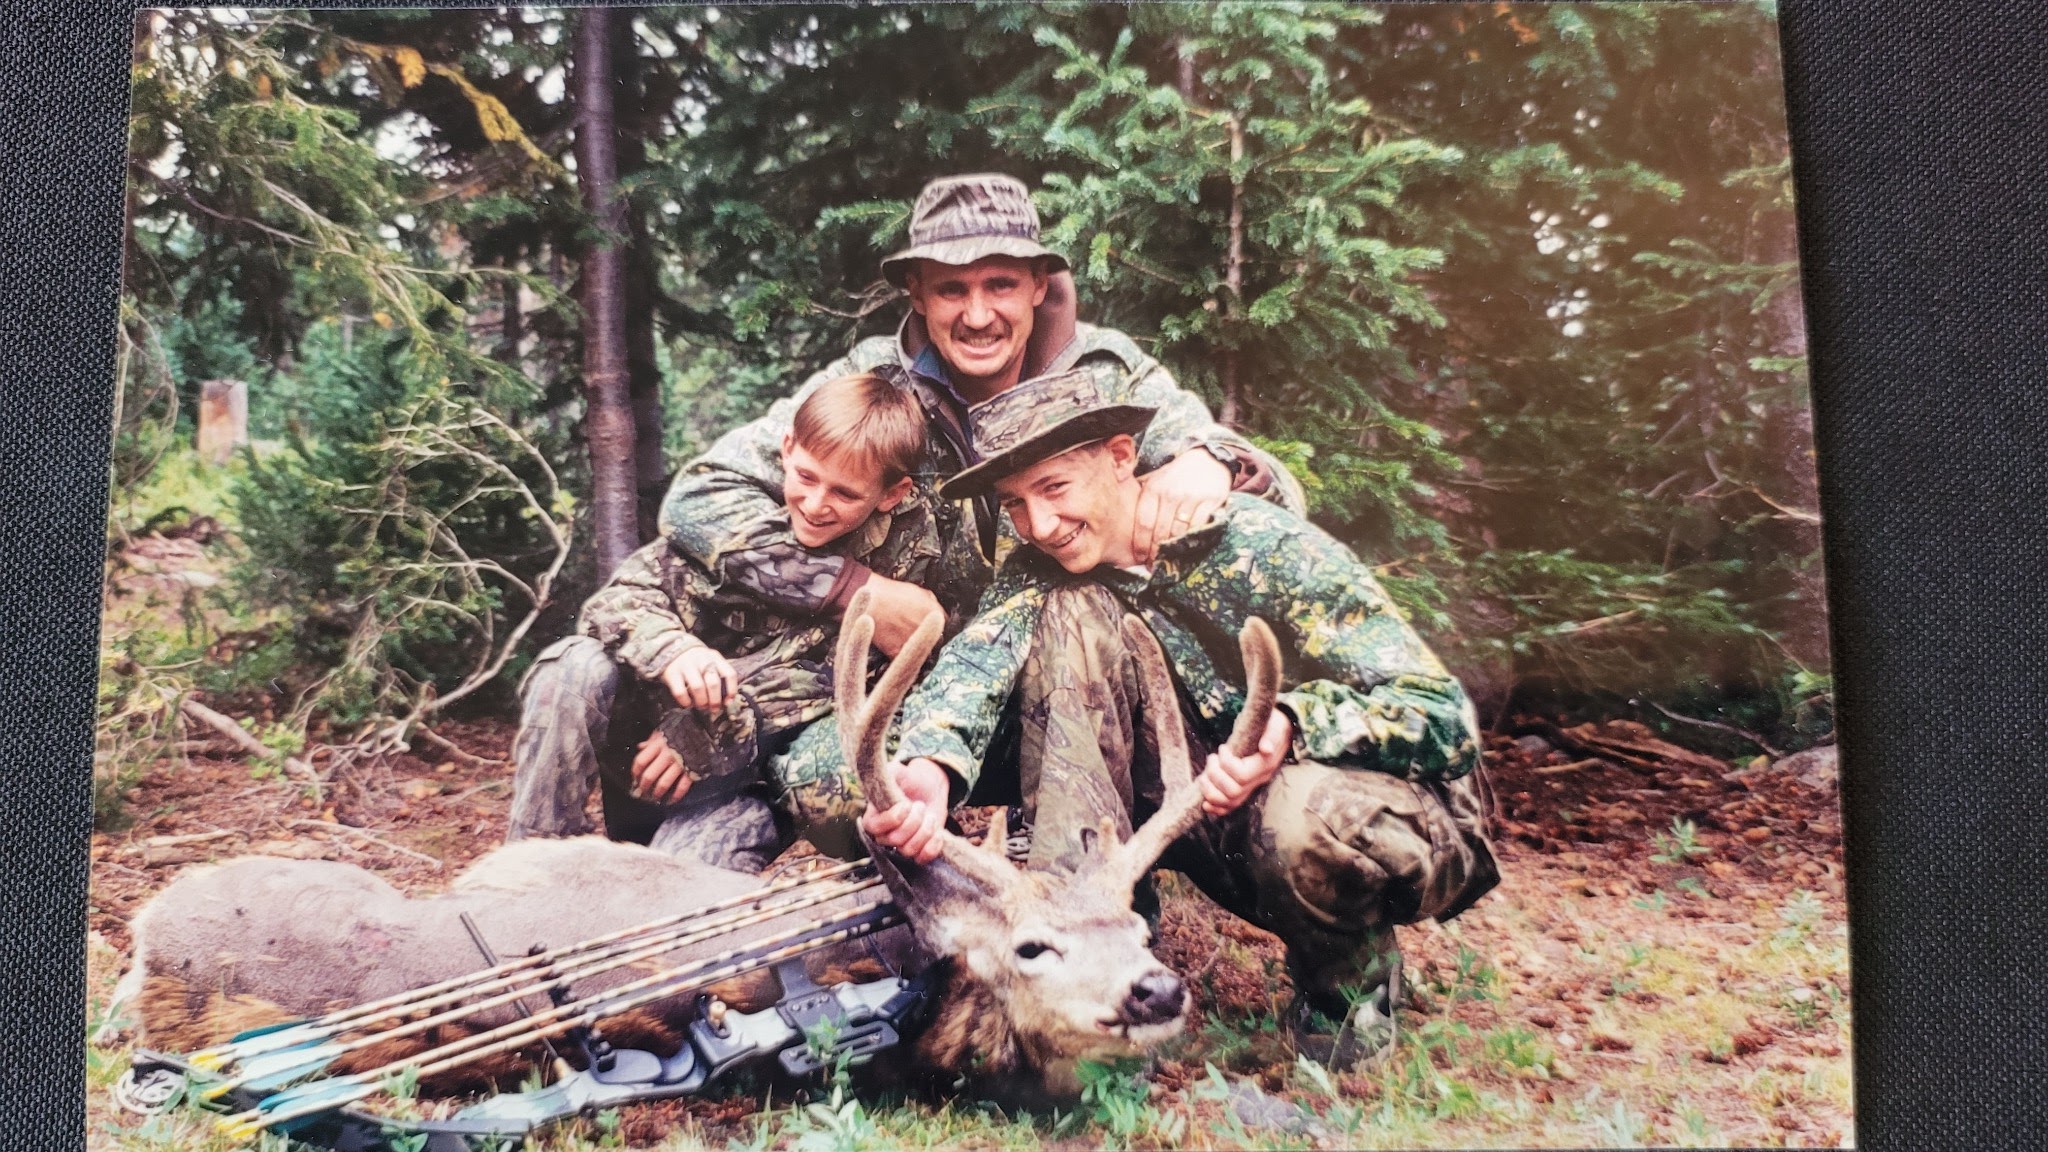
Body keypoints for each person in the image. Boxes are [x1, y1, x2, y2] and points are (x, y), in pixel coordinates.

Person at [860, 369, 1501, 1067]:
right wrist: (930, 763)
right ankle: (1093, 981)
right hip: (1199, 807)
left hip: (1365, 813)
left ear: (1120, 459)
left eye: (1055, 488)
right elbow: (973, 669)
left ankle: (1348, 998)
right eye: (1014, 503)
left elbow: (1439, 713)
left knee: (1304, 818)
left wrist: (1291, 724)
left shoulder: (1261, 547)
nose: (1039, 525)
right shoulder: (1039, 571)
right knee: (1072, 613)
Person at [656, 173, 1304, 847]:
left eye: (999, 285)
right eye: (951, 289)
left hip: (1087, 690)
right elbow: (700, 497)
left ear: (1037, 286)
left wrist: (1217, 462)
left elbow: (1276, 491)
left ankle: (1081, 875)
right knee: (835, 788)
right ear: (917, 293)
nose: (977, 314)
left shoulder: (1109, 375)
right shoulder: (873, 387)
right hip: (938, 692)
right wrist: (854, 588)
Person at [505, 372, 932, 872]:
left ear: (891, 494)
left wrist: (717, 723)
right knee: (572, 669)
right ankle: (531, 866)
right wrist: (672, 648)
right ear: (787, 448)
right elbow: (619, 600)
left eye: (845, 494)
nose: (816, 506)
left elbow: (841, 685)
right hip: (639, 755)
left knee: (675, 907)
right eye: (807, 477)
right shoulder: (738, 519)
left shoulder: (900, 565)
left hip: (738, 782)